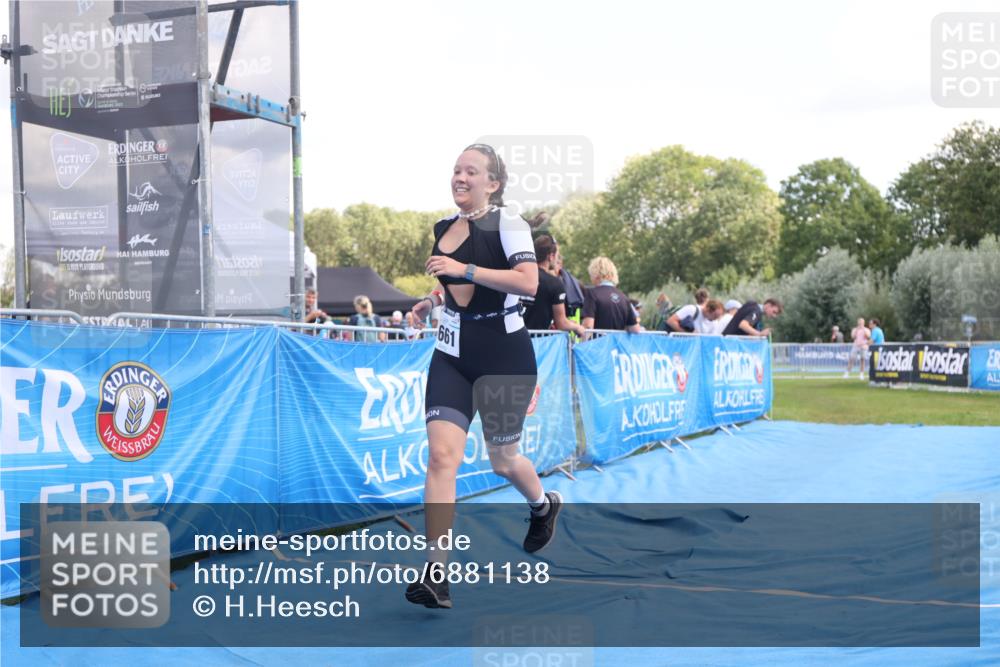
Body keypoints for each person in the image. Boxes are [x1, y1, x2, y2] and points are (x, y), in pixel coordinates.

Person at [405, 143, 562, 609]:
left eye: (471, 171)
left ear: (492, 184)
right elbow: (453, 284)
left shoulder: (509, 223)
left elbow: (529, 283)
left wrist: (464, 268)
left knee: (503, 459)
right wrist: (432, 301)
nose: (460, 176)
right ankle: (437, 574)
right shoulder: (442, 228)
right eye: (456, 169)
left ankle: (542, 506)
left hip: (503, 357)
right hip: (452, 354)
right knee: (441, 458)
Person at [520, 234, 586, 337]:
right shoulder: (554, 283)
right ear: (550, 256)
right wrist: (578, 327)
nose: (557, 260)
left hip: (515, 338)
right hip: (538, 342)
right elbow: (561, 323)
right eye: (557, 256)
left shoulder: (520, 275)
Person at [580, 256, 641, 337]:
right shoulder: (624, 297)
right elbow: (635, 329)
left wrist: (580, 344)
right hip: (617, 348)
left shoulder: (592, 294)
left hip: (598, 346)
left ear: (595, 274)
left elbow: (588, 326)